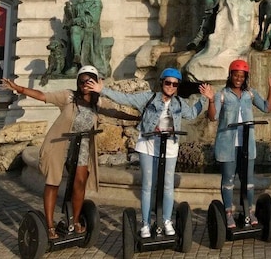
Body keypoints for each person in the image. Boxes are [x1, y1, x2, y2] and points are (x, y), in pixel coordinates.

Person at [85, 67, 208, 238]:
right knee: (148, 185)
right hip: (148, 144)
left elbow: (193, 113)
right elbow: (125, 99)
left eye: (174, 84)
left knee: (167, 185)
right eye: (168, 83)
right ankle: (145, 223)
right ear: (162, 83)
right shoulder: (148, 98)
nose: (171, 86)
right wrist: (102, 90)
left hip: (170, 146)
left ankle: (166, 220)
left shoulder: (179, 103)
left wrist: (205, 98)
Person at [1, 66, 104, 240]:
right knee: (53, 182)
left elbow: (116, 111)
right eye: (82, 81)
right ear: (77, 82)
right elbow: (43, 96)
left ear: (95, 82)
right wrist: (18, 88)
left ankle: (75, 220)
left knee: (80, 182)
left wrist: (141, 117)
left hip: (83, 145)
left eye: (90, 80)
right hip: (61, 144)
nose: (85, 84)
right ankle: (49, 225)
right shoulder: (68, 96)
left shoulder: (98, 102)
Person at [203, 59, 271, 228]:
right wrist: (210, 100)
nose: (239, 79)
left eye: (242, 76)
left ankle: (248, 211)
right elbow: (212, 117)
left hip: (247, 144)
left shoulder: (249, 94)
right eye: (236, 75)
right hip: (227, 145)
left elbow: (267, 108)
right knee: (228, 180)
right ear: (230, 76)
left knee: (248, 181)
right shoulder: (222, 94)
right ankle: (228, 212)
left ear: (245, 78)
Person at [63, 0, 107, 75]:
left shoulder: (95, 0)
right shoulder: (75, 3)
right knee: (74, 30)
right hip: (77, 29)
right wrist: (68, 13)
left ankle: (78, 63)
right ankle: (76, 58)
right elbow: (69, 21)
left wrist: (76, 20)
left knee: (76, 29)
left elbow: (94, 19)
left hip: (91, 29)